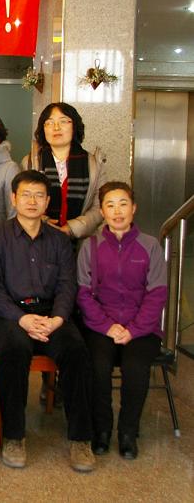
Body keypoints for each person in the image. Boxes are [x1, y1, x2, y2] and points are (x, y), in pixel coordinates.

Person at [0, 170, 94, 472]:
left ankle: (80, 439)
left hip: (51, 314)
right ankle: (14, 437)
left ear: (48, 201)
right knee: (14, 352)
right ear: (13, 199)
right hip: (11, 315)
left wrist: (58, 318)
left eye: (39, 196)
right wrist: (22, 320)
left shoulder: (59, 240)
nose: (32, 201)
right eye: (26, 195)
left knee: (76, 352)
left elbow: (67, 285)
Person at [77, 182, 167, 460]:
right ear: (102, 211)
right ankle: (102, 430)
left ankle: (128, 432)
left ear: (134, 208)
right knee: (98, 366)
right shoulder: (90, 246)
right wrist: (107, 326)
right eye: (110, 205)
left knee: (136, 367)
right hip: (100, 327)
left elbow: (157, 293)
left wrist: (134, 329)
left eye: (123, 204)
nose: (117, 211)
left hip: (142, 329)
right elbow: (83, 293)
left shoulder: (150, 246)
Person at [23, 102, 107, 240]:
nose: (56, 127)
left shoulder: (93, 164)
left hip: (80, 242)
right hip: (38, 238)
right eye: (49, 123)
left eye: (63, 121)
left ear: (74, 126)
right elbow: (21, 200)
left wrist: (73, 228)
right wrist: (43, 221)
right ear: (43, 129)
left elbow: (100, 205)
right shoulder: (30, 162)